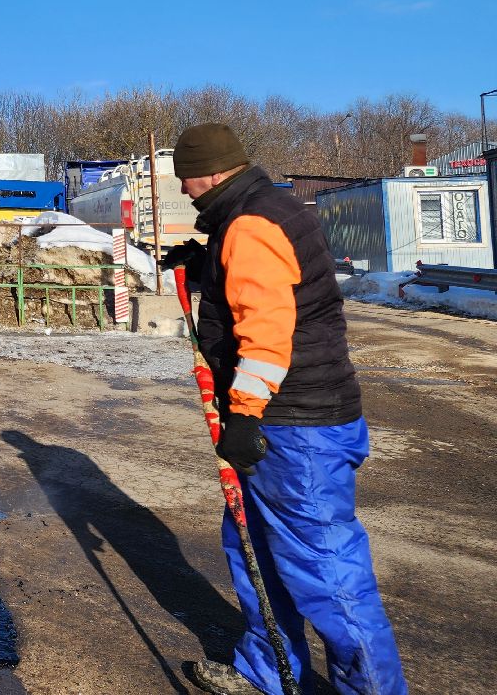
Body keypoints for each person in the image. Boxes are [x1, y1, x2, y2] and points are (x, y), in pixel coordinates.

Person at [168, 124, 406, 695]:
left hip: (294, 429)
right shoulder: (265, 209)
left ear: (210, 171)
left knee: (326, 573)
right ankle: (268, 671)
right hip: (292, 420)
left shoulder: (249, 224)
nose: (184, 191)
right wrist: (210, 270)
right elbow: (281, 287)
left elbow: (269, 329)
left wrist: (245, 413)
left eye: (185, 178)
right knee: (256, 553)